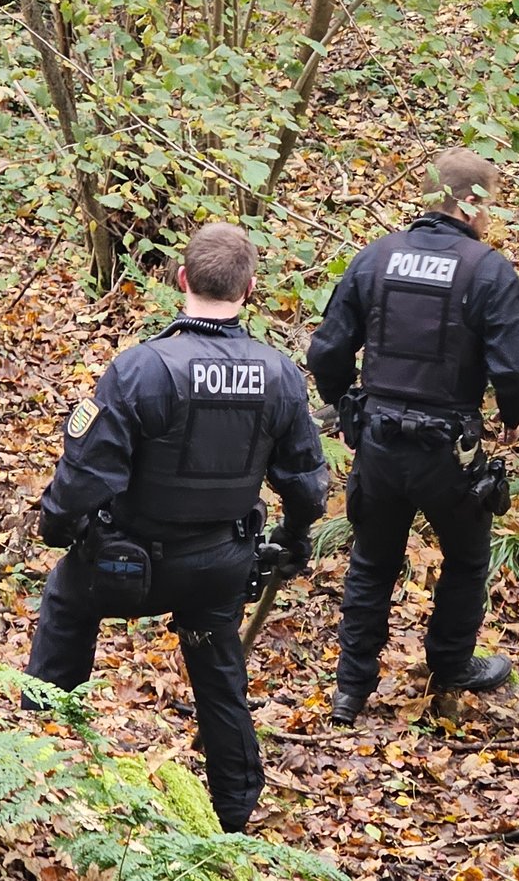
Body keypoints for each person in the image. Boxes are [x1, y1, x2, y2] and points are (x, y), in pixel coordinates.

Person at [24, 222, 327, 833]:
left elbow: (84, 475)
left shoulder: (141, 369)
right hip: (218, 566)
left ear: (181, 279)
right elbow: (307, 484)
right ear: (250, 289)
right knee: (219, 676)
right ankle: (235, 815)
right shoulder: (279, 374)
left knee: (66, 605)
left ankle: (30, 762)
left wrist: (57, 529)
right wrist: (293, 540)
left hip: (124, 567)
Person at [306, 147, 519, 725]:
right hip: (449, 453)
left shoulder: (376, 258)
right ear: (470, 203)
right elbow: (516, 368)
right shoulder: (486, 271)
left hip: (380, 445)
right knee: (465, 560)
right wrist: (514, 416)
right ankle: (451, 666)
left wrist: (344, 403)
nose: (491, 217)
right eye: (490, 204)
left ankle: (350, 689)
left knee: (371, 561)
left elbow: (327, 350)